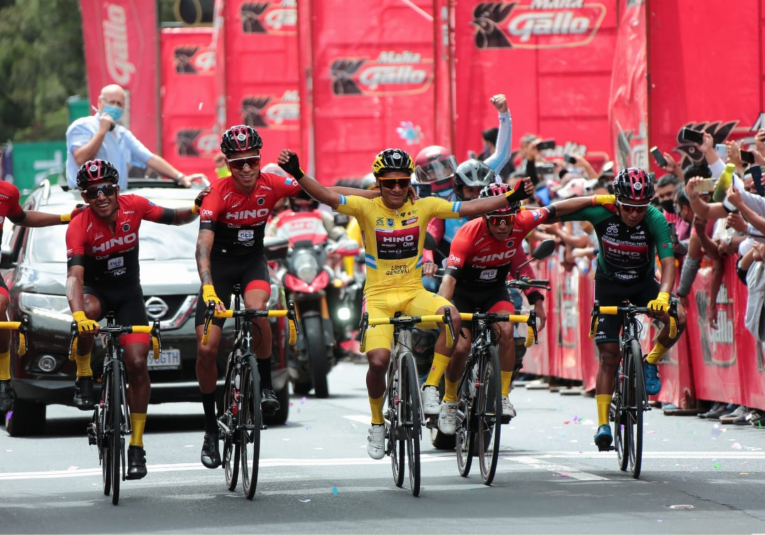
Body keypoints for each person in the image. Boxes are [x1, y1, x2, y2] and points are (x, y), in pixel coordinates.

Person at [275, 146, 534, 459]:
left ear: (410, 181)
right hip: (379, 297)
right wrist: (298, 173)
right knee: (378, 362)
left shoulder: (424, 206)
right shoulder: (364, 208)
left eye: (402, 181)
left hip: (414, 294)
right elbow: (328, 197)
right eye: (389, 182)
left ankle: (430, 389)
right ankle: (376, 423)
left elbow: (469, 207)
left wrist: (510, 197)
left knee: (451, 316)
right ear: (379, 183)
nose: (396, 188)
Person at [195, 126, 378, 469]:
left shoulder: (272, 184)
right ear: (229, 166)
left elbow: (326, 193)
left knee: (259, 311)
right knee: (206, 349)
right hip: (217, 270)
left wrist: (378, 195)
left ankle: (264, 387)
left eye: (252, 162)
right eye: (238, 164)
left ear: (260, 160)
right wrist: (207, 288)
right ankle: (209, 428)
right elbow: (203, 246)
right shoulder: (216, 193)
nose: (246, 170)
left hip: (252, 264)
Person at [436, 183, 615, 433]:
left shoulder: (523, 220)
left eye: (507, 220)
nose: (501, 226)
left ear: (515, 216)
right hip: (463, 293)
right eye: (495, 220)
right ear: (485, 215)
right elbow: (449, 280)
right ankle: (450, 401)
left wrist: (597, 198)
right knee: (462, 346)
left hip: (493, 291)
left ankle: (503, 396)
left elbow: (556, 208)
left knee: (507, 332)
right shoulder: (467, 233)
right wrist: (443, 310)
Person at [65, 159, 200, 479]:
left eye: (107, 189)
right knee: (85, 314)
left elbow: (174, 217)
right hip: (95, 292)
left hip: (128, 294)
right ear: (85, 197)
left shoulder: (134, 206)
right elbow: (74, 277)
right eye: (92, 192)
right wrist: (78, 315)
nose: (101, 196)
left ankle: (137, 445)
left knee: (138, 363)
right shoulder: (79, 225)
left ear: (117, 188)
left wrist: (196, 207)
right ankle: (84, 373)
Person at [559, 168, 687, 450]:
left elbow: (667, 263)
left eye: (640, 208)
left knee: (679, 318)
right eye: (628, 207)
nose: (633, 214)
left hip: (643, 283)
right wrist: (590, 200)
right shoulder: (603, 209)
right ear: (617, 201)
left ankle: (650, 362)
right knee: (609, 356)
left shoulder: (654, 218)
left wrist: (664, 296)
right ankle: (603, 424)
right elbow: (558, 211)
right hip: (609, 285)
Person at [0, 184, 81, 412]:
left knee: (1, 305)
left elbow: (22, 217)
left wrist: (65, 217)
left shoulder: (7, 192)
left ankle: (3, 378)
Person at [66, 84, 206, 190]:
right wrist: (101, 132)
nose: (115, 107)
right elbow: (80, 159)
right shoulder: (82, 126)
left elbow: (149, 158)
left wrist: (180, 177)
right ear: (100, 102)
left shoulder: (122, 134)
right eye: (111, 102)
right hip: (85, 199)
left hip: (114, 201)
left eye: (119, 104)